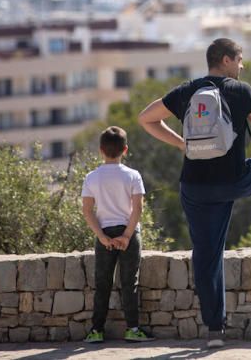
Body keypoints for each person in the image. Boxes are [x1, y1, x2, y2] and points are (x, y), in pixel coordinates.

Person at [138, 37, 251, 349]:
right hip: (233, 180)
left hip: (194, 186)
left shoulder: (187, 90)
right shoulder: (240, 90)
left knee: (207, 256)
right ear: (225, 60)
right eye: (239, 60)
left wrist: (181, 144)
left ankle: (214, 332)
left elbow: (146, 118)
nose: (242, 66)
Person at [81, 126, 154, 344]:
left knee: (102, 283)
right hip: (129, 232)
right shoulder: (133, 175)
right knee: (129, 283)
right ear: (125, 150)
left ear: (101, 150)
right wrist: (127, 236)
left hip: (104, 233)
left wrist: (102, 237)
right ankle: (132, 329)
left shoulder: (91, 177)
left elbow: (87, 211)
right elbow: (138, 209)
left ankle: (96, 331)